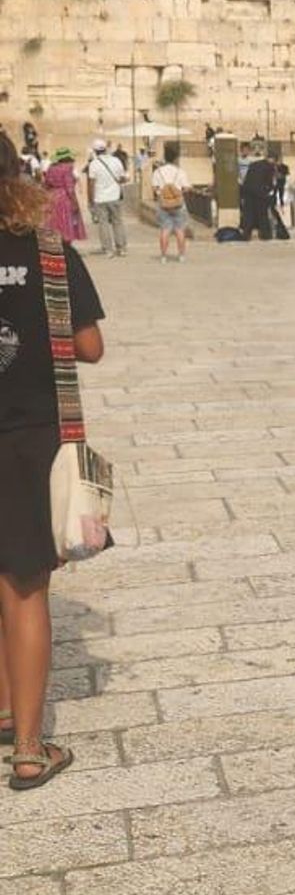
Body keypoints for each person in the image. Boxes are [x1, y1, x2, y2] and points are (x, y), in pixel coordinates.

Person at [0, 135, 104, 789]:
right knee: (26, 585)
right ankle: (32, 749)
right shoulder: (48, 253)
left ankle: (7, 708)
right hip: (33, 436)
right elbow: (90, 347)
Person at [85, 137, 127, 258]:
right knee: (117, 222)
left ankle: (108, 250)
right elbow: (122, 178)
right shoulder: (116, 161)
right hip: (115, 196)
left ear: (95, 150)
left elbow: (91, 184)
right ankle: (121, 248)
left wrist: (90, 200)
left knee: (103, 224)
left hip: (100, 198)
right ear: (105, 149)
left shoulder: (93, 164)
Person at [152, 143, 191, 261]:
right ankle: (181, 255)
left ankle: (163, 255)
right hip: (178, 204)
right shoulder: (180, 172)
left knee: (165, 229)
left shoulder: (158, 172)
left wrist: (161, 193)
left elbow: (154, 188)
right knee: (180, 229)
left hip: (163, 203)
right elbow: (187, 188)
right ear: (175, 158)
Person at [43, 152, 87, 244]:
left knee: (54, 222)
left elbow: (46, 184)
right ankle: (66, 243)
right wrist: (74, 203)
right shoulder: (67, 169)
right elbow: (69, 188)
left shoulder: (51, 169)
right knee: (66, 221)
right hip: (64, 197)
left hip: (51, 196)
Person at [238, 148, 275, 244]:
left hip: (248, 191)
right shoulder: (270, 167)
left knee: (248, 214)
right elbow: (269, 182)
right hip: (260, 193)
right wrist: (268, 191)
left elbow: (247, 178)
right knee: (262, 214)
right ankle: (265, 234)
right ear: (273, 159)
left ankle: (246, 234)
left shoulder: (254, 164)